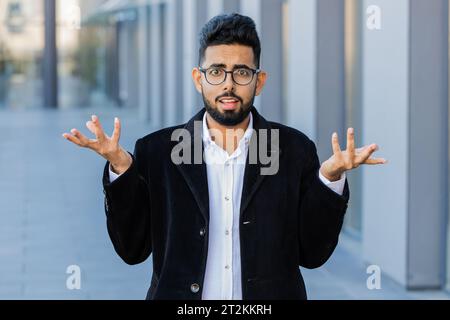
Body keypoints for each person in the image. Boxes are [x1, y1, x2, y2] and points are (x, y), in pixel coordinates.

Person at [62, 13, 386, 300]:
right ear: (197, 78)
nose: (228, 85)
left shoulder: (293, 150)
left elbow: (312, 253)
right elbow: (132, 249)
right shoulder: (158, 151)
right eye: (216, 71)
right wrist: (121, 169)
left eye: (241, 72)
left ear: (259, 82)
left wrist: (328, 179)